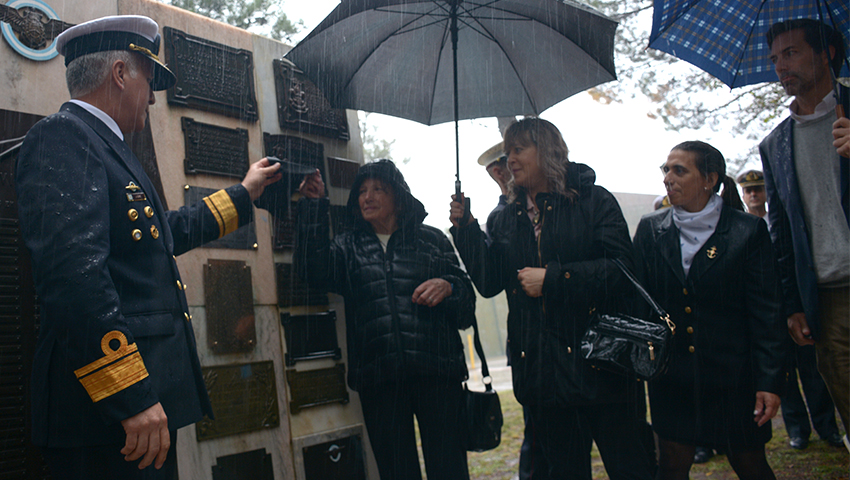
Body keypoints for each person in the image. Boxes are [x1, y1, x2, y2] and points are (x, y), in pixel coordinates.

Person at [14, 15, 281, 480]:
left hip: (134, 414)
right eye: (149, 80)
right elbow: (73, 277)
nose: (154, 97)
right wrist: (129, 393)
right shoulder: (64, 137)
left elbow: (161, 235)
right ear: (120, 74)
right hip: (108, 417)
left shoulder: (105, 146)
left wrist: (244, 193)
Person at [450, 118, 654, 480]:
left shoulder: (593, 200)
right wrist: (466, 230)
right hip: (544, 376)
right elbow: (489, 282)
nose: (510, 159)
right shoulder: (503, 218)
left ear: (547, 151)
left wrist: (556, 279)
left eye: (518, 149)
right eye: (508, 151)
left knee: (632, 468)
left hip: (604, 366)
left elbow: (622, 270)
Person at [296, 159, 475, 480]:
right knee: (396, 472)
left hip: (438, 374)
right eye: (362, 191)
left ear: (399, 197)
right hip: (380, 380)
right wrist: (312, 207)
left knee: (449, 469)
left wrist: (449, 286)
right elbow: (313, 272)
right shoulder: (347, 248)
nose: (368, 197)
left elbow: (466, 308)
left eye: (379, 189)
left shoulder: (431, 240)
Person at [632, 141, 785, 480]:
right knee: (671, 466)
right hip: (673, 380)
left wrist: (770, 381)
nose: (668, 178)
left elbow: (767, 313)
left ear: (709, 179)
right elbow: (640, 303)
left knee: (750, 464)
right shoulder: (650, 230)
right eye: (666, 170)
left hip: (734, 377)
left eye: (679, 170)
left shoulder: (747, 231)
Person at [759, 18, 850, 445]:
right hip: (826, 297)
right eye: (775, 58)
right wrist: (792, 303)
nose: (780, 66)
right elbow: (780, 232)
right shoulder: (774, 144)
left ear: (827, 52)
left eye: (791, 53)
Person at [737, 169, 843, 450]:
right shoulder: (741, 227)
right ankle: (798, 431)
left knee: (812, 370)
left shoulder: (779, 223)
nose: (754, 194)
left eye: (758, 189)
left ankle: (827, 426)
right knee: (783, 375)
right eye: (749, 191)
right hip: (767, 315)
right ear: (743, 195)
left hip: (794, 307)